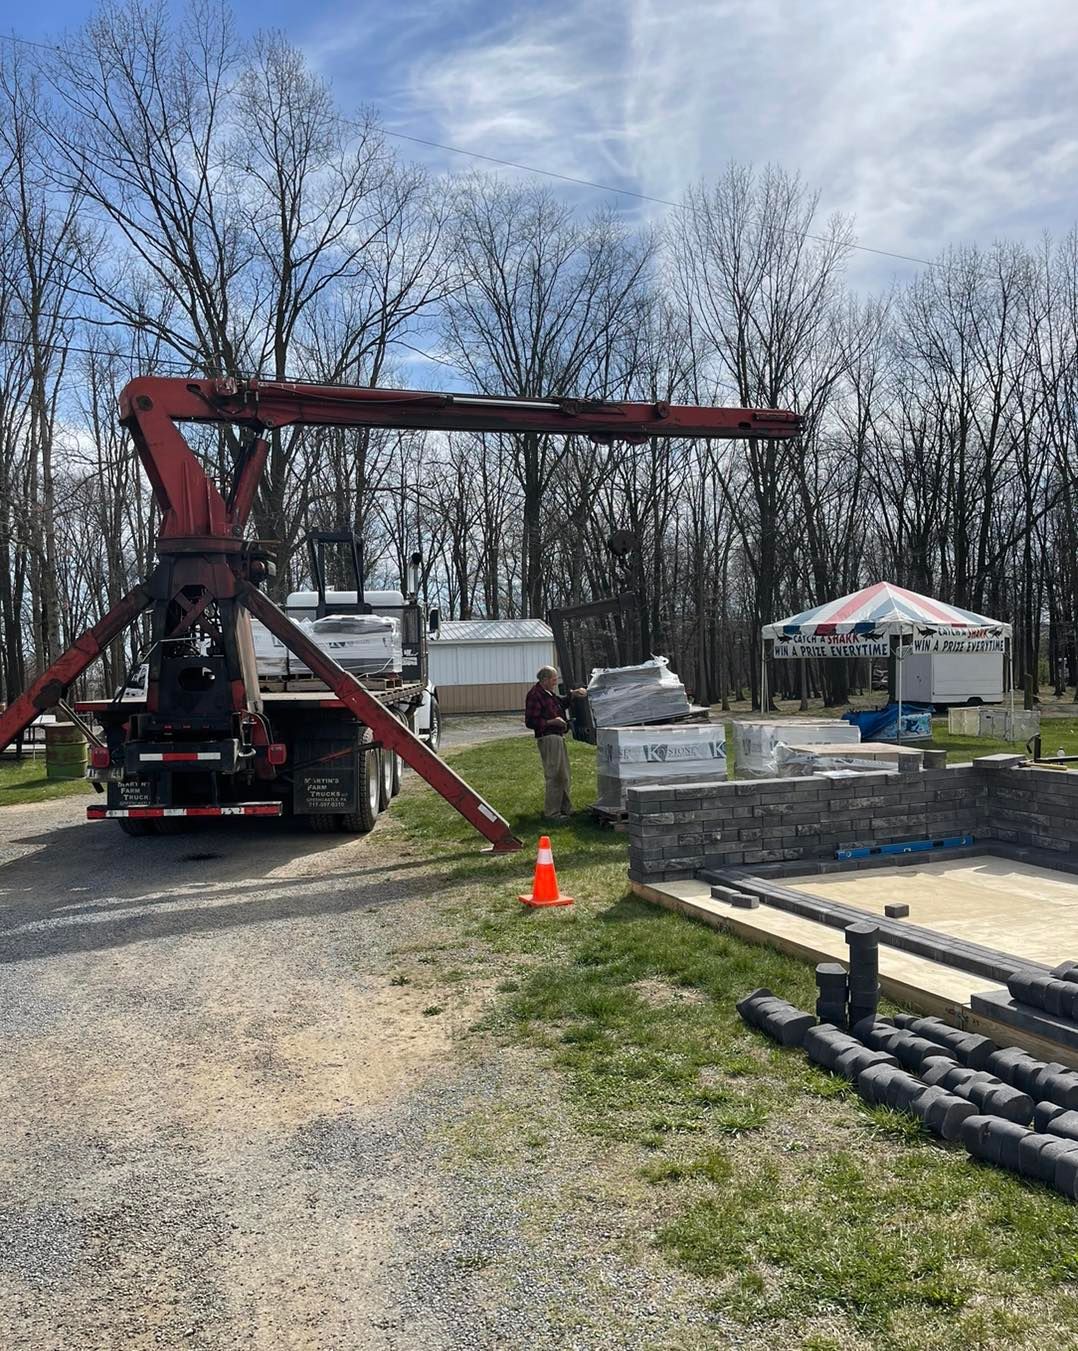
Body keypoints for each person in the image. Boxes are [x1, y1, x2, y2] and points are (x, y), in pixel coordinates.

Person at [524, 665, 587, 822]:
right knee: (555, 776)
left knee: (564, 775)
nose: (555, 682)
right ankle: (552, 814)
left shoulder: (549, 694)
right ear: (544, 680)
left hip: (558, 737)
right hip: (548, 737)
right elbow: (531, 721)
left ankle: (566, 809)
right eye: (553, 679)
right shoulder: (535, 695)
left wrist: (573, 694)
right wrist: (553, 721)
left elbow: (561, 703)